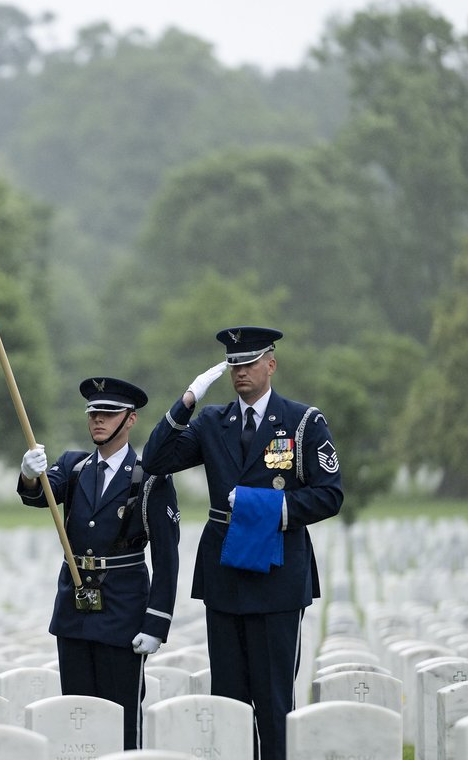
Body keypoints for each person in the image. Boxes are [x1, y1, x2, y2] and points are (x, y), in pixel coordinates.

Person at [141, 326, 342, 760]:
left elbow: (330, 494)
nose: (240, 373)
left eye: (249, 363)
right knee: (229, 702)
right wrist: (185, 403)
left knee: (273, 704)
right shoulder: (213, 421)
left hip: (277, 575)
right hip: (226, 575)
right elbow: (155, 462)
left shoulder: (303, 421)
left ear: (271, 364)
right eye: (233, 365)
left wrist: (263, 507)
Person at [18, 376, 180, 750]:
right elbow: (40, 495)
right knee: (76, 718)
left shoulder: (150, 477)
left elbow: (167, 558)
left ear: (131, 420)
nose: (98, 421)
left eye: (108, 413)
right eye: (93, 413)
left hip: (123, 612)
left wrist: (157, 623)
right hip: (76, 611)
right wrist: (29, 474)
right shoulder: (74, 467)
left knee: (121, 716)